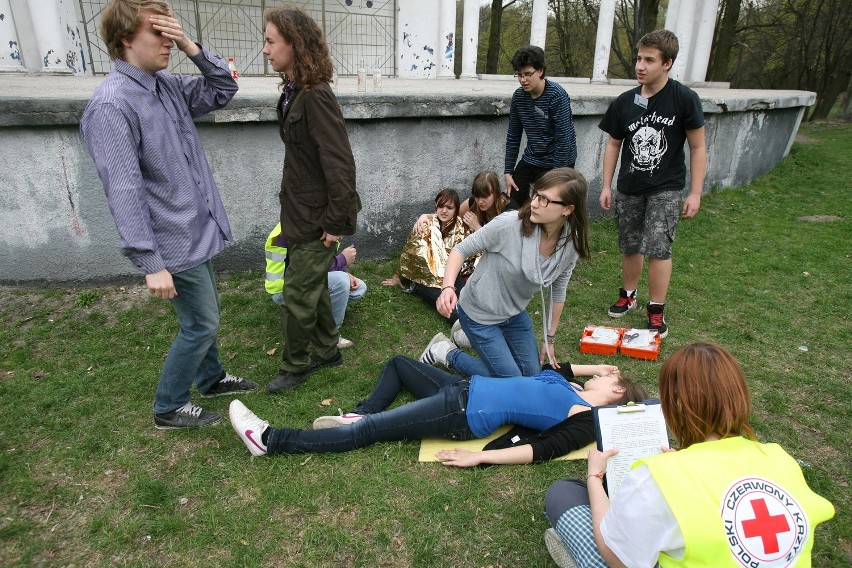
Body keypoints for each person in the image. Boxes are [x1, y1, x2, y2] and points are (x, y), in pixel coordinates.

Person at [80, 0, 255, 430]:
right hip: (172, 239)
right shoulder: (112, 105)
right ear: (125, 40)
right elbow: (124, 189)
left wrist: (190, 44)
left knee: (204, 311)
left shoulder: (165, 86)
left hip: (198, 228)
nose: (169, 42)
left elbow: (222, 88)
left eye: (170, 31)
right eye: (158, 33)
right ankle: (169, 406)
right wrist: (149, 262)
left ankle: (211, 378)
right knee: (202, 322)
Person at [544, 343, 835, 568]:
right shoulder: (780, 459)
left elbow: (617, 559)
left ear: (675, 407)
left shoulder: (661, 476)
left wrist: (595, 477)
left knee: (563, 493)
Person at [228, 355, 646, 458]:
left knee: (371, 432)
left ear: (615, 393)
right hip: (466, 386)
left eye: (609, 378)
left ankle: (271, 440)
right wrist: (597, 366)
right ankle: (359, 410)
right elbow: (545, 368)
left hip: (463, 413)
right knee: (399, 364)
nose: (601, 376)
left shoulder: (586, 416)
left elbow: (543, 449)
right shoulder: (570, 386)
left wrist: (479, 459)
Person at [264, 6, 360, 394]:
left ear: (295, 44)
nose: (266, 50)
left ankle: (296, 365)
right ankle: (327, 350)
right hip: (300, 214)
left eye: (271, 41)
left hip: (319, 218)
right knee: (313, 285)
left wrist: (335, 223)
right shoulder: (294, 91)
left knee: (298, 293)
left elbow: (340, 164)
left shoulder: (316, 96)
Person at [421, 167, 590, 379]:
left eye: (545, 200)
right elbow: (460, 250)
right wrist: (447, 287)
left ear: (568, 209)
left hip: (514, 313)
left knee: (531, 376)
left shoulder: (569, 244)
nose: (535, 203)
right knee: (513, 382)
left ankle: (462, 337)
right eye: (536, 195)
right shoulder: (510, 224)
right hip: (480, 313)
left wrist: (550, 337)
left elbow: (558, 289)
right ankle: (444, 351)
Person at [598, 30, 707, 339]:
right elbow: (612, 145)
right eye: (638, 58)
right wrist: (606, 185)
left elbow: (698, 147)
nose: (640, 66)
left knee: (658, 248)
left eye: (649, 60)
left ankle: (656, 309)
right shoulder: (624, 102)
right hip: (629, 186)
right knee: (630, 244)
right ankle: (628, 295)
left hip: (666, 187)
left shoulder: (683, 98)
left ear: (667, 63)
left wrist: (696, 192)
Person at [264, 223, 366, 349]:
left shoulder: (317, 225)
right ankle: (328, 335)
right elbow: (306, 271)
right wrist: (342, 260)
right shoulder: (297, 231)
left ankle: (311, 319)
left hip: (303, 283)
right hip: (284, 291)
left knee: (358, 288)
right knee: (340, 281)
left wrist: (345, 272)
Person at [504, 46, 577, 207]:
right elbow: (513, 135)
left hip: (558, 161)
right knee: (510, 202)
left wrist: (557, 178)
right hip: (533, 157)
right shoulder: (518, 97)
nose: (523, 80)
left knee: (550, 206)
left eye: (528, 74)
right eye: (519, 75)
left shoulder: (557, 95)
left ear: (541, 71)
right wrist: (508, 171)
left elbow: (564, 140)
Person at [382, 189, 470, 322]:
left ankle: (479, 320)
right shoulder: (425, 225)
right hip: (425, 275)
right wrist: (396, 276)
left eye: (449, 207)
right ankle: (461, 325)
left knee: (467, 296)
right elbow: (409, 251)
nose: (444, 210)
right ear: (436, 206)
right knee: (444, 301)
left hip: (450, 273)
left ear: (456, 209)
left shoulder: (460, 226)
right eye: (440, 206)